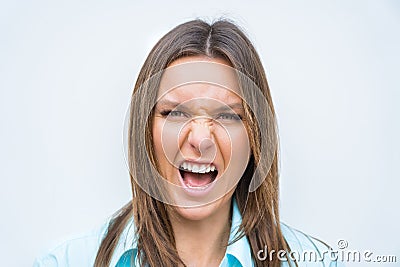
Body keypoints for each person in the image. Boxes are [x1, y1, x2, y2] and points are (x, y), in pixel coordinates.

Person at [34, 19, 343, 267]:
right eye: (176, 113)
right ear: (145, 131)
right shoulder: (66, 262)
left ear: (254, 137)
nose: (200, 139)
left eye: (227, 116)